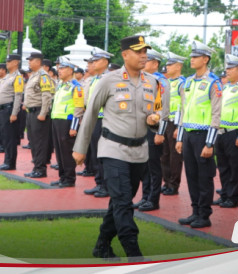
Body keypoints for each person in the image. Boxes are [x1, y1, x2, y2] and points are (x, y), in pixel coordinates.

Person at [73, 35, 160, 262]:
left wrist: (155, 120)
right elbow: (91, 113)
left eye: (145, 51)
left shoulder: (152, 82)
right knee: (123, 202)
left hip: (139, 152)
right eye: (139, 51)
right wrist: (80, 148)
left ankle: (101, 245)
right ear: (125, 54)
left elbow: (159, 114)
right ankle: (135, 255)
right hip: (113, 149)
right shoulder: (108, 81)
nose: (144, 56)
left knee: (119, 203)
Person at [175, 40, 222, 228]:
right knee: (191, 176)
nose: (191, 59)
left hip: (204, 136)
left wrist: (210, 144)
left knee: (204, 177)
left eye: (195, 57)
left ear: (205, 59)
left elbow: (216, 114)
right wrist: (179, 137)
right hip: (188, 134)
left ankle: (204, 215)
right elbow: (182, 109)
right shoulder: (187, 82)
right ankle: (195, 211)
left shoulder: (213, 83)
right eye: (191, 56)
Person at [134, 48, 170, 211]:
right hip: (141, 129)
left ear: (155, 64)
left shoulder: (160, 82)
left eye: (147, 59)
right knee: (144, 166)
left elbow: (164, 110)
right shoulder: (142, 79)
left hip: (154, 129)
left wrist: (160, 132)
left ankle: (153, 200)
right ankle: (145, 196)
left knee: (154, 167)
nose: (143, 61)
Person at [212, 54, 238, 208]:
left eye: (231, 69)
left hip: (234, 132)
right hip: (221, 132)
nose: (227, 71)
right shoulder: (225, 88)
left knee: (234, 167)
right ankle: (225, 194)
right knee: (223, 167)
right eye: (227, 69)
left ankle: (233, 197)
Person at [82, 47, 113, 198]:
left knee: (104, 154)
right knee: (95, 153)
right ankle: (99, 182)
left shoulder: (110, 78)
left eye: (97, 60)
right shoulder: (95, 79)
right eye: (92, 61)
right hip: (94, 119)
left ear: (105, 62)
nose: (93, 63)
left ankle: (106, 186)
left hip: (105, 120)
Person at [49, 59, 84, 187]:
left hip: (67, 122)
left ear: (70, 70)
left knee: (66, 152)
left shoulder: (76, 86)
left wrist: (74, 127)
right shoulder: (60, 85)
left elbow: (78, 108)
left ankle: (69, 178)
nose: (59, 71)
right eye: (59, 69)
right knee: (59, 151)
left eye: (62, 69)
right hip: (57, 120)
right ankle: (62, 177)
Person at [23, 52, 55, 178]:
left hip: (39, 112)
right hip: (31, 112)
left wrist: (43, 113)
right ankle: (36, 167)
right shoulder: (34, 75)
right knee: (33, 142)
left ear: (38, 61)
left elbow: (46, 95)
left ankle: (40, 169)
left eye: (31, 60)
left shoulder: (43, 76)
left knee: (40, 142)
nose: (29, 62)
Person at [0, 55, 24, 171]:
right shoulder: (7, 77)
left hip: (9, 110)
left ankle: (10, 163)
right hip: (1, 110)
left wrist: (14, 113)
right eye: (7, 61)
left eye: (9, 61)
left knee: (10, 138)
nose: (7, 63)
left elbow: (18, 96)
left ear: (16, 63)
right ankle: (6, 161)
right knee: (4, 137)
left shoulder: (17, 77)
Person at [160, 51, 186, 196]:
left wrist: (179, 127)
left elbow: (183, 106)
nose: (167, 67)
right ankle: (166, 182)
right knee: (164, 155)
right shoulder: (167, 83)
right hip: (165, 122)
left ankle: (173, 185)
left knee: (175, 157)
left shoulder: (183, 83)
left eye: (170, 65)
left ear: (178, 66)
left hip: (175, 123)